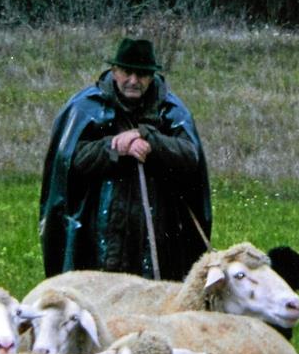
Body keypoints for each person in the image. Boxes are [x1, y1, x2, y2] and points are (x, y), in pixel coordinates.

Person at [39, 38, 212, 281]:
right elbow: (70, 159)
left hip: (156, 234)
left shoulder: (172, 111)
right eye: (127, 72)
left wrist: (150, 140)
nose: (133, 81)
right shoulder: (85, 107)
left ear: (152, 76)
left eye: (141, 74)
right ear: (114, 71)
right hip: (97, 233)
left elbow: (189, 156)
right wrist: (114, 147)